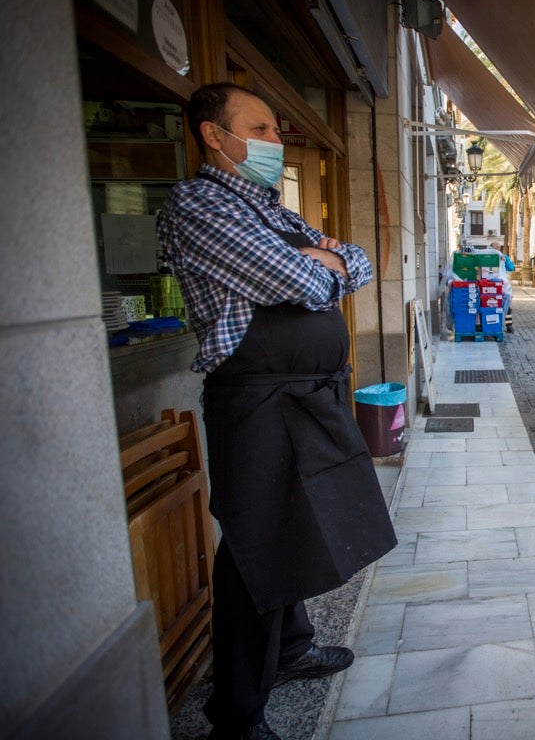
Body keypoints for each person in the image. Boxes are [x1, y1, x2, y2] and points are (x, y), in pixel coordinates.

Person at [157, 83, 397, 740]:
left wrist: (320, 257)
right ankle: (236, 716)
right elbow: (302, 281)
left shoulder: (271, 211)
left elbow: (358, 260)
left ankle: (290, 648)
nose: (274, 139)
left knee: (296, 525)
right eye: (259, 128)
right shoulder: (197, 207)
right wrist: (318, 262)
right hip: (256, 400)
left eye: (274, 129)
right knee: (255, 548)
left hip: (307, 397)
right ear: (214, 134)